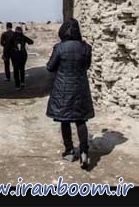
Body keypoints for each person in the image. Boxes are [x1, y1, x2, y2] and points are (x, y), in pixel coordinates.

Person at [46, 18, 94, 170]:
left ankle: (69, 151)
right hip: (80, 88)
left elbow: (50, 68)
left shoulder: (59, 47)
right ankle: (84, 152)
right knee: (81, 120)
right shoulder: (86, 47)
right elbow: (87, 66)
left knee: (65, 120)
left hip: (63, 90)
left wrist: (51, 56)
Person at [8, 26, 33, 90]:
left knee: (16, 70)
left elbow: (8, 47)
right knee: (22, 69)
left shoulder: (12, 37)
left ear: (15, 30)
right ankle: (22, 82)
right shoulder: (23, 37)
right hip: (23, 55)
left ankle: (17, 85)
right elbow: (31, 42)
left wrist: (6, 54)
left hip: (15, 56)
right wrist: (24, 38)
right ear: (21, 31)